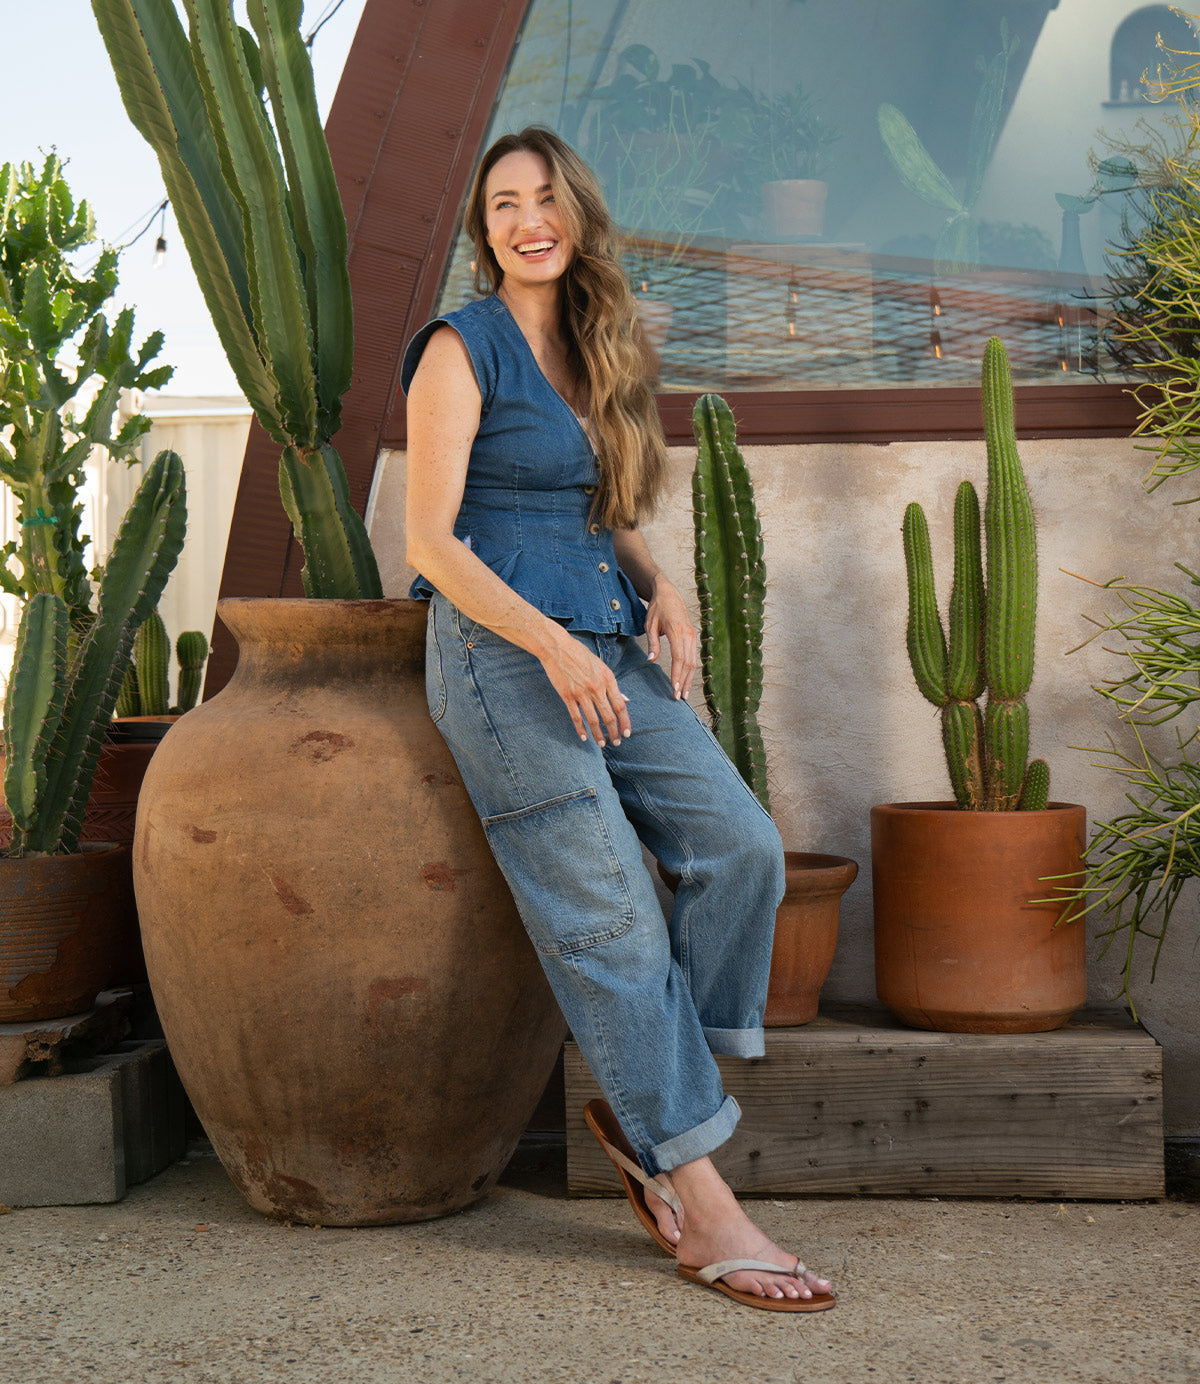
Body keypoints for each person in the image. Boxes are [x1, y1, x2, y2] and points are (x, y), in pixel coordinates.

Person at [402, 125, 835, 1313]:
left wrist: (666, 586)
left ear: (577, 214)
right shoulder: (459, 347)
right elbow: (431, 541)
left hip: (608, 638)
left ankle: (658, 1105)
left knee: (742, 848)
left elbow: (603, 505)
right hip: (503, 660)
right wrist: (546, 642)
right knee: (610, 923)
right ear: (483, 232)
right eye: (502, 204)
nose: (527, 218)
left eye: (545, 198)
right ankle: (699, 1199)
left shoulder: (598, 346)